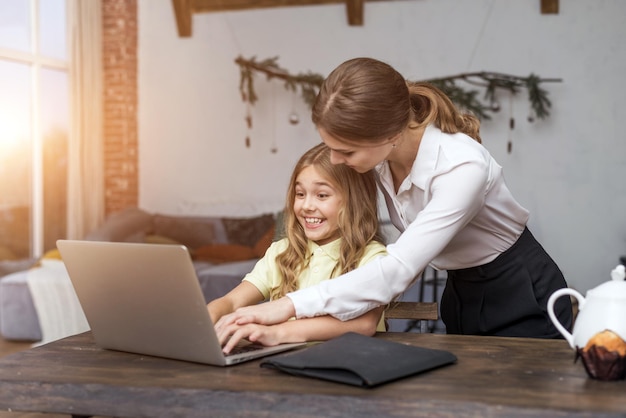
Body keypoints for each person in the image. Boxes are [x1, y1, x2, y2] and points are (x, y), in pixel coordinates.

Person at [216, 57, 572, 344]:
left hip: (518, 289)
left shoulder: (462, 166)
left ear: (391, 135)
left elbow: (398, 270)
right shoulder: (382, 157)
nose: (336, 160)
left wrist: (286, 306)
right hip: (461, 289)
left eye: (346, 150)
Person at [210, 142, 388, 353]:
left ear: (354, 201)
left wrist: (277, 333)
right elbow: (231, 302)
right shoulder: (281, 251)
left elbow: (364, 324)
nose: (306, 206)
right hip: (283, 367)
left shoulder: (373, 257)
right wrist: (206, 320)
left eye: (322, 195)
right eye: (300, 194)